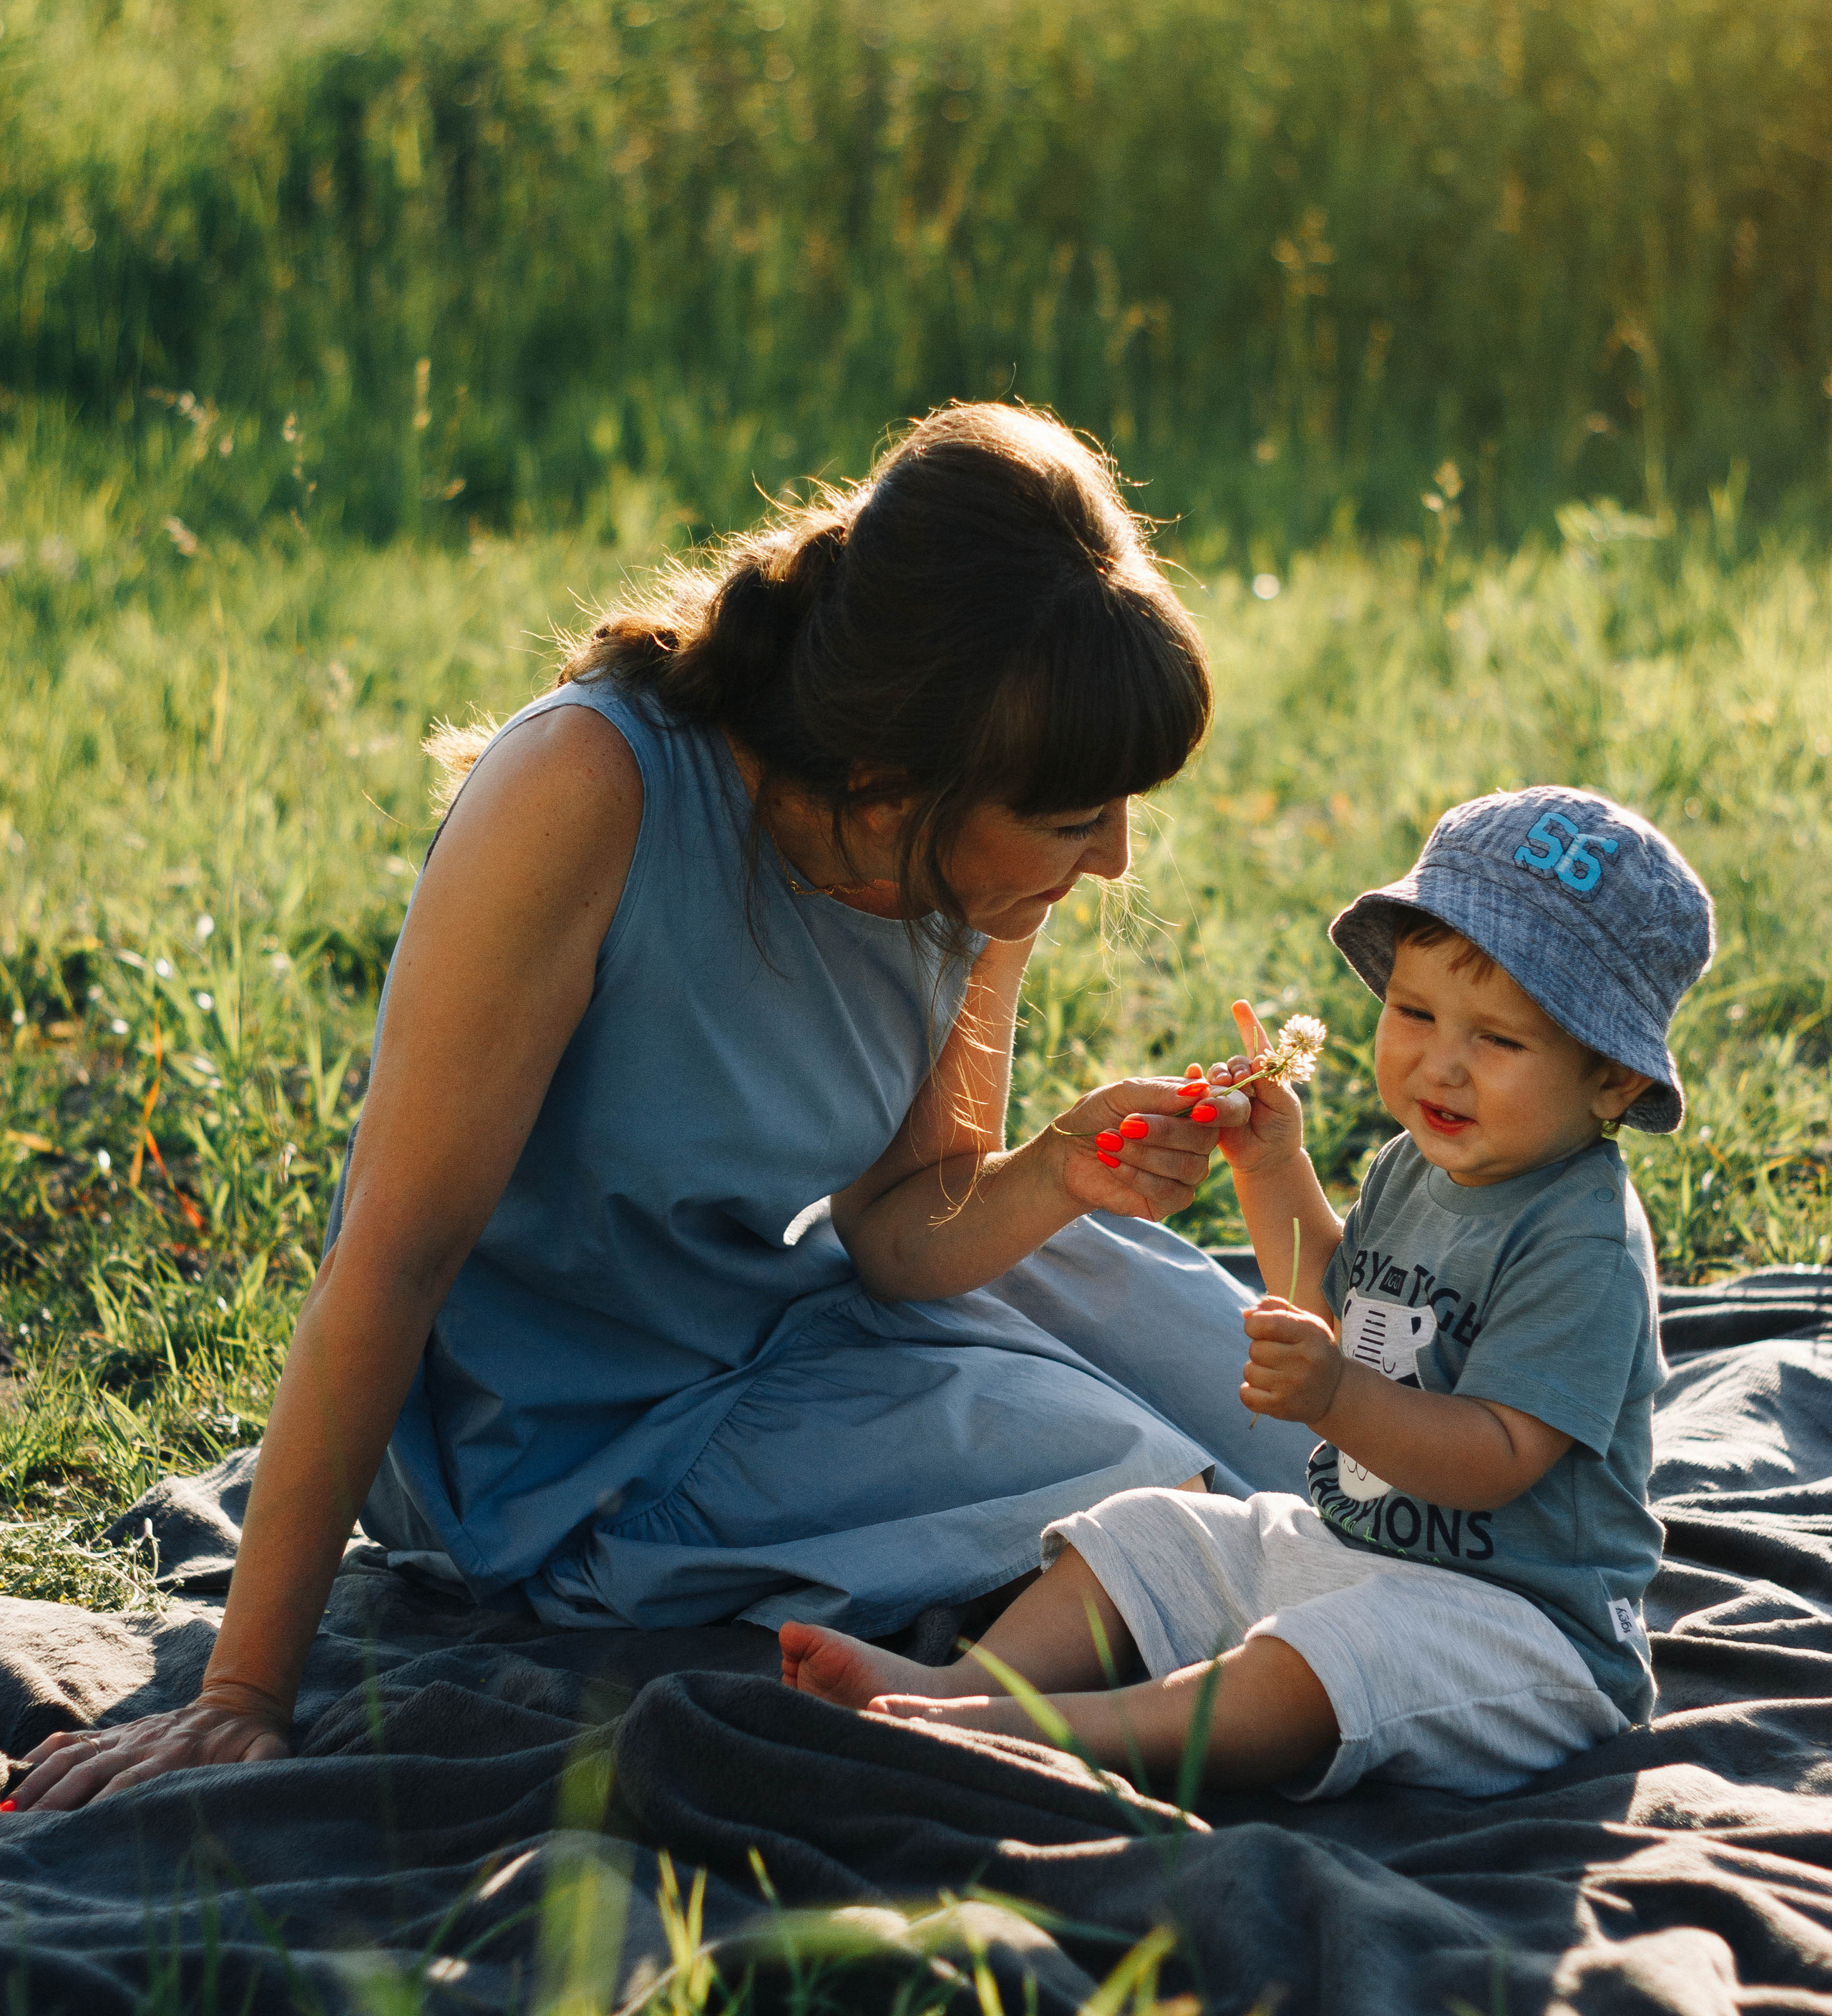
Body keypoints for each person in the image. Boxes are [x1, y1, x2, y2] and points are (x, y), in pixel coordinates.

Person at [13, 402, 1318, 1813]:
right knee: (1152, 1488)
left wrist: (1057, 1168)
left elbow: (896, 1225)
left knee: (1313, 1434)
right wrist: (241, 1694)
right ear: (888, 783)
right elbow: (391, 1256)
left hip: (811, 1312)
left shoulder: (969, 846)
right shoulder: (586, 789)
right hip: (584, 1438)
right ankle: (1027, 1709)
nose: (1114, 858)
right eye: (1076, 819)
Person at [783, 787, 1715, 1801]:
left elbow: (1500, 1456)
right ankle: (960, 1685)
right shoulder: (1421, 1165)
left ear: (1614, 1081)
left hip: (1518, 1631)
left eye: (1499, 1040)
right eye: (1414, 1013)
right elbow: (1333, 1302)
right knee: (1154, 1529)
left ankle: (1032, 1734)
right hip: (1358, 1551)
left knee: (1312, 1667)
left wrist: (1336, 1401)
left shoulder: (1579, 1236)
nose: (1441, 1064)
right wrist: (1272, 1170)